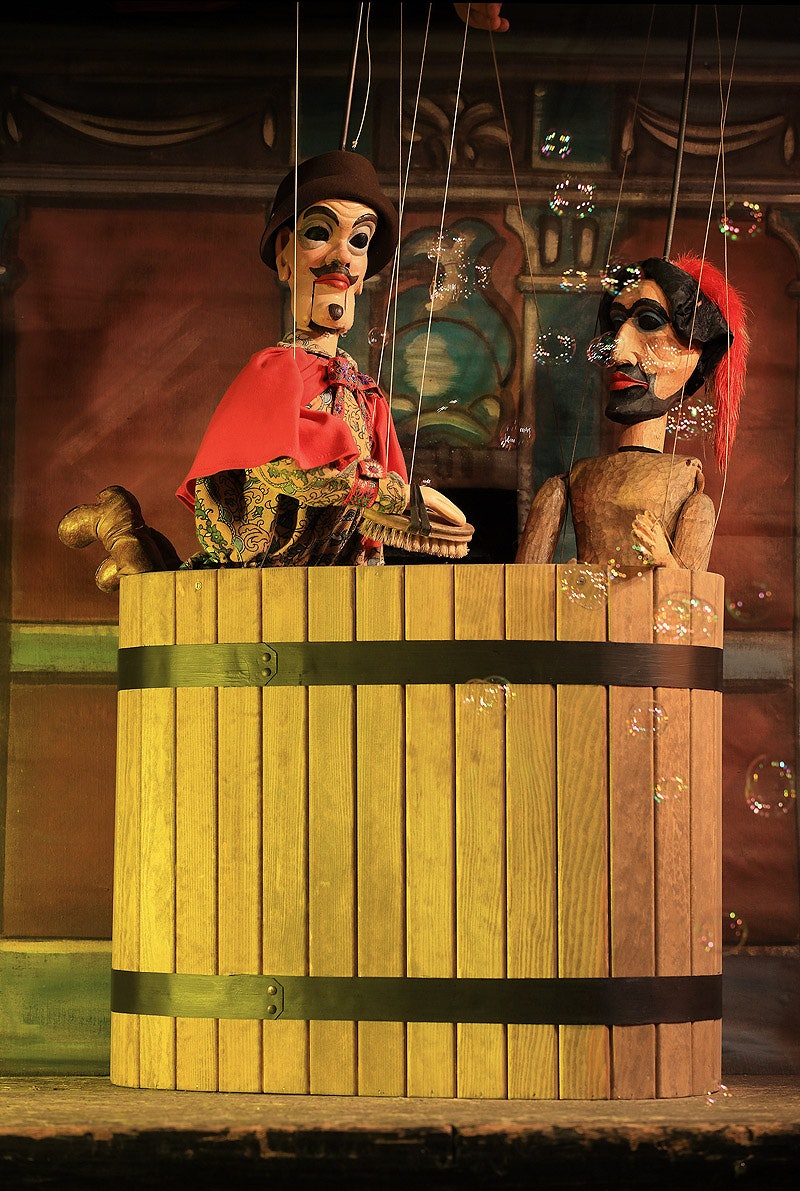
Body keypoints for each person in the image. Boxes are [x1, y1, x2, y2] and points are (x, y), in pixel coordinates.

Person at [176, 149, 467, 568]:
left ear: (363, 272)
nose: (342, 256)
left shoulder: (365, 397)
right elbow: (287, 472)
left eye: (359, 240)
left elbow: (371, 528)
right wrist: (403, 496)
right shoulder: (275, 371)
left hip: (335, 593)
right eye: (318, 232)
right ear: (285, 254)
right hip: (253, 588)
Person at [515, 253, 749, 571]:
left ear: (699, 352)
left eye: (649, 322)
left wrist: (666, 561)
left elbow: (693, 590)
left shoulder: (690, 489)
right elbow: (524, 582)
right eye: (615, 326)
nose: (617, 351)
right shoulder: (572, 481)